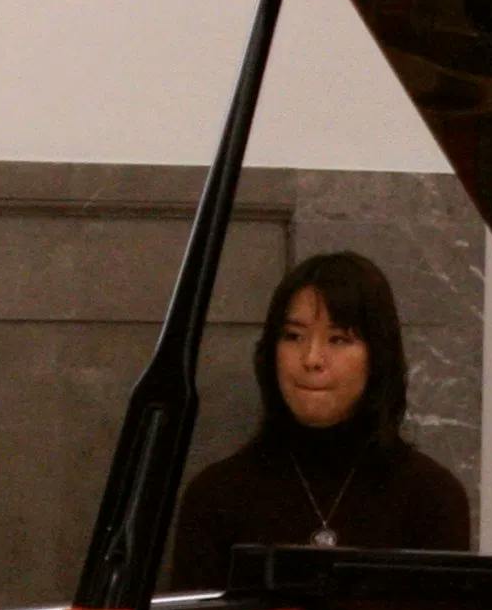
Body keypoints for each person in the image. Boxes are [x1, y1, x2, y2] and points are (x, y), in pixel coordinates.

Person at [171, 248, 471, 588]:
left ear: (378, 355)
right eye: (293, 336)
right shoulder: (215, 497)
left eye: (338, 339)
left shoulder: (432, 498)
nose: (312, 359)